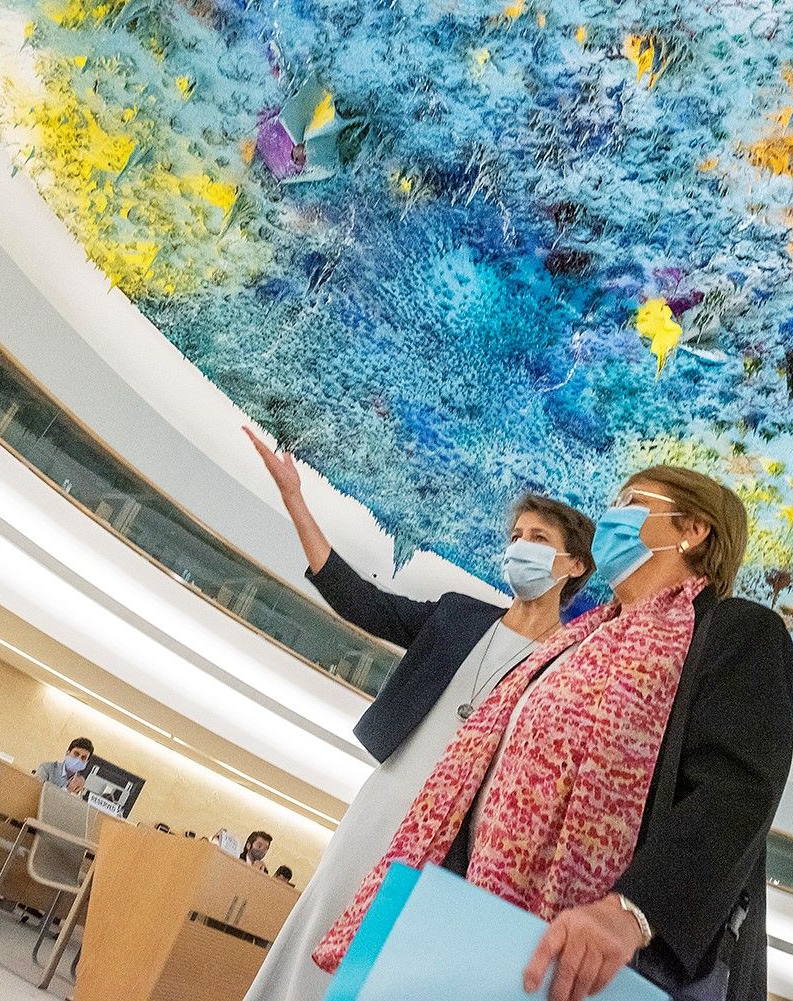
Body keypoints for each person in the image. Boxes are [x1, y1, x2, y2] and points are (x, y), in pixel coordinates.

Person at [314, 466, 793, 1001]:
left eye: (632, 501)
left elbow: (735, 791)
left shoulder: (736, 631)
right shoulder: (576, 639)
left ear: (694, 529)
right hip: (468, 918)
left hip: (603, 956)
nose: (612, 515)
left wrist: (630, 912)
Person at [240, 426, 596, 1001]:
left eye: (539, 537)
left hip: (463, 836)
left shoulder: (572, 664)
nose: (520, 546)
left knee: (393, 959)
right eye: (516, 535)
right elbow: (360, 601)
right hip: (391, 795)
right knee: (326, 914)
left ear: (574, 564)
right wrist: (294, 499)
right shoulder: (457, 617)